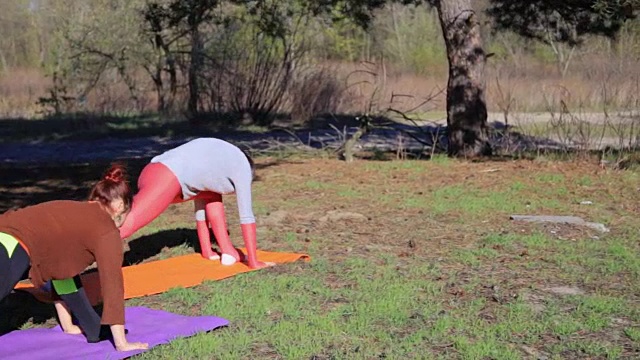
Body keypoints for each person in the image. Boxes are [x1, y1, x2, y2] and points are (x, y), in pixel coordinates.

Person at [0, 164, 148, 352]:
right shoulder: (106, 230)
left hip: (8, 236)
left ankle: (90, 327)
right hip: (9, 243)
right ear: (120, 206)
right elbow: (113, 285)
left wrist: (69, 325)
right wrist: (121, 343)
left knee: (95, 328)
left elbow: (61, 273)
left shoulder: (73, 214)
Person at [118, 138, 271, 269]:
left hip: (156, 172)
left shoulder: (212, 172)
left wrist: (207, 250)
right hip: (166, 177)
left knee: (212, 196)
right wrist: (253, 260)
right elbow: (246, 216)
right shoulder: (242, 167)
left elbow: (201, 211)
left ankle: (225, 250)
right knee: (126, 226)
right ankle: (95, 251)